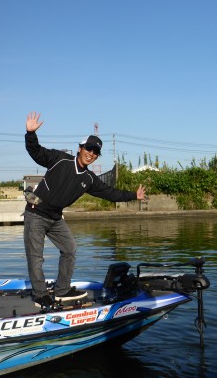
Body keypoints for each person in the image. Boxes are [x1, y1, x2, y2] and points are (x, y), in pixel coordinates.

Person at [23, 112, 146, 309]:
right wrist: (30, 133)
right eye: (89, 149)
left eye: (95, 152)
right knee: (36, 257)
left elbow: (109, 193)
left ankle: (62, 290)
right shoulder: (59, 159)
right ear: (80, 148)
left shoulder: (89, 179)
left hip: (55, 218)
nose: (91, 154)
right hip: (36, 213)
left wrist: (133, 195)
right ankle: (40, 294)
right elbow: (36, 152)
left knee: (70, 248)